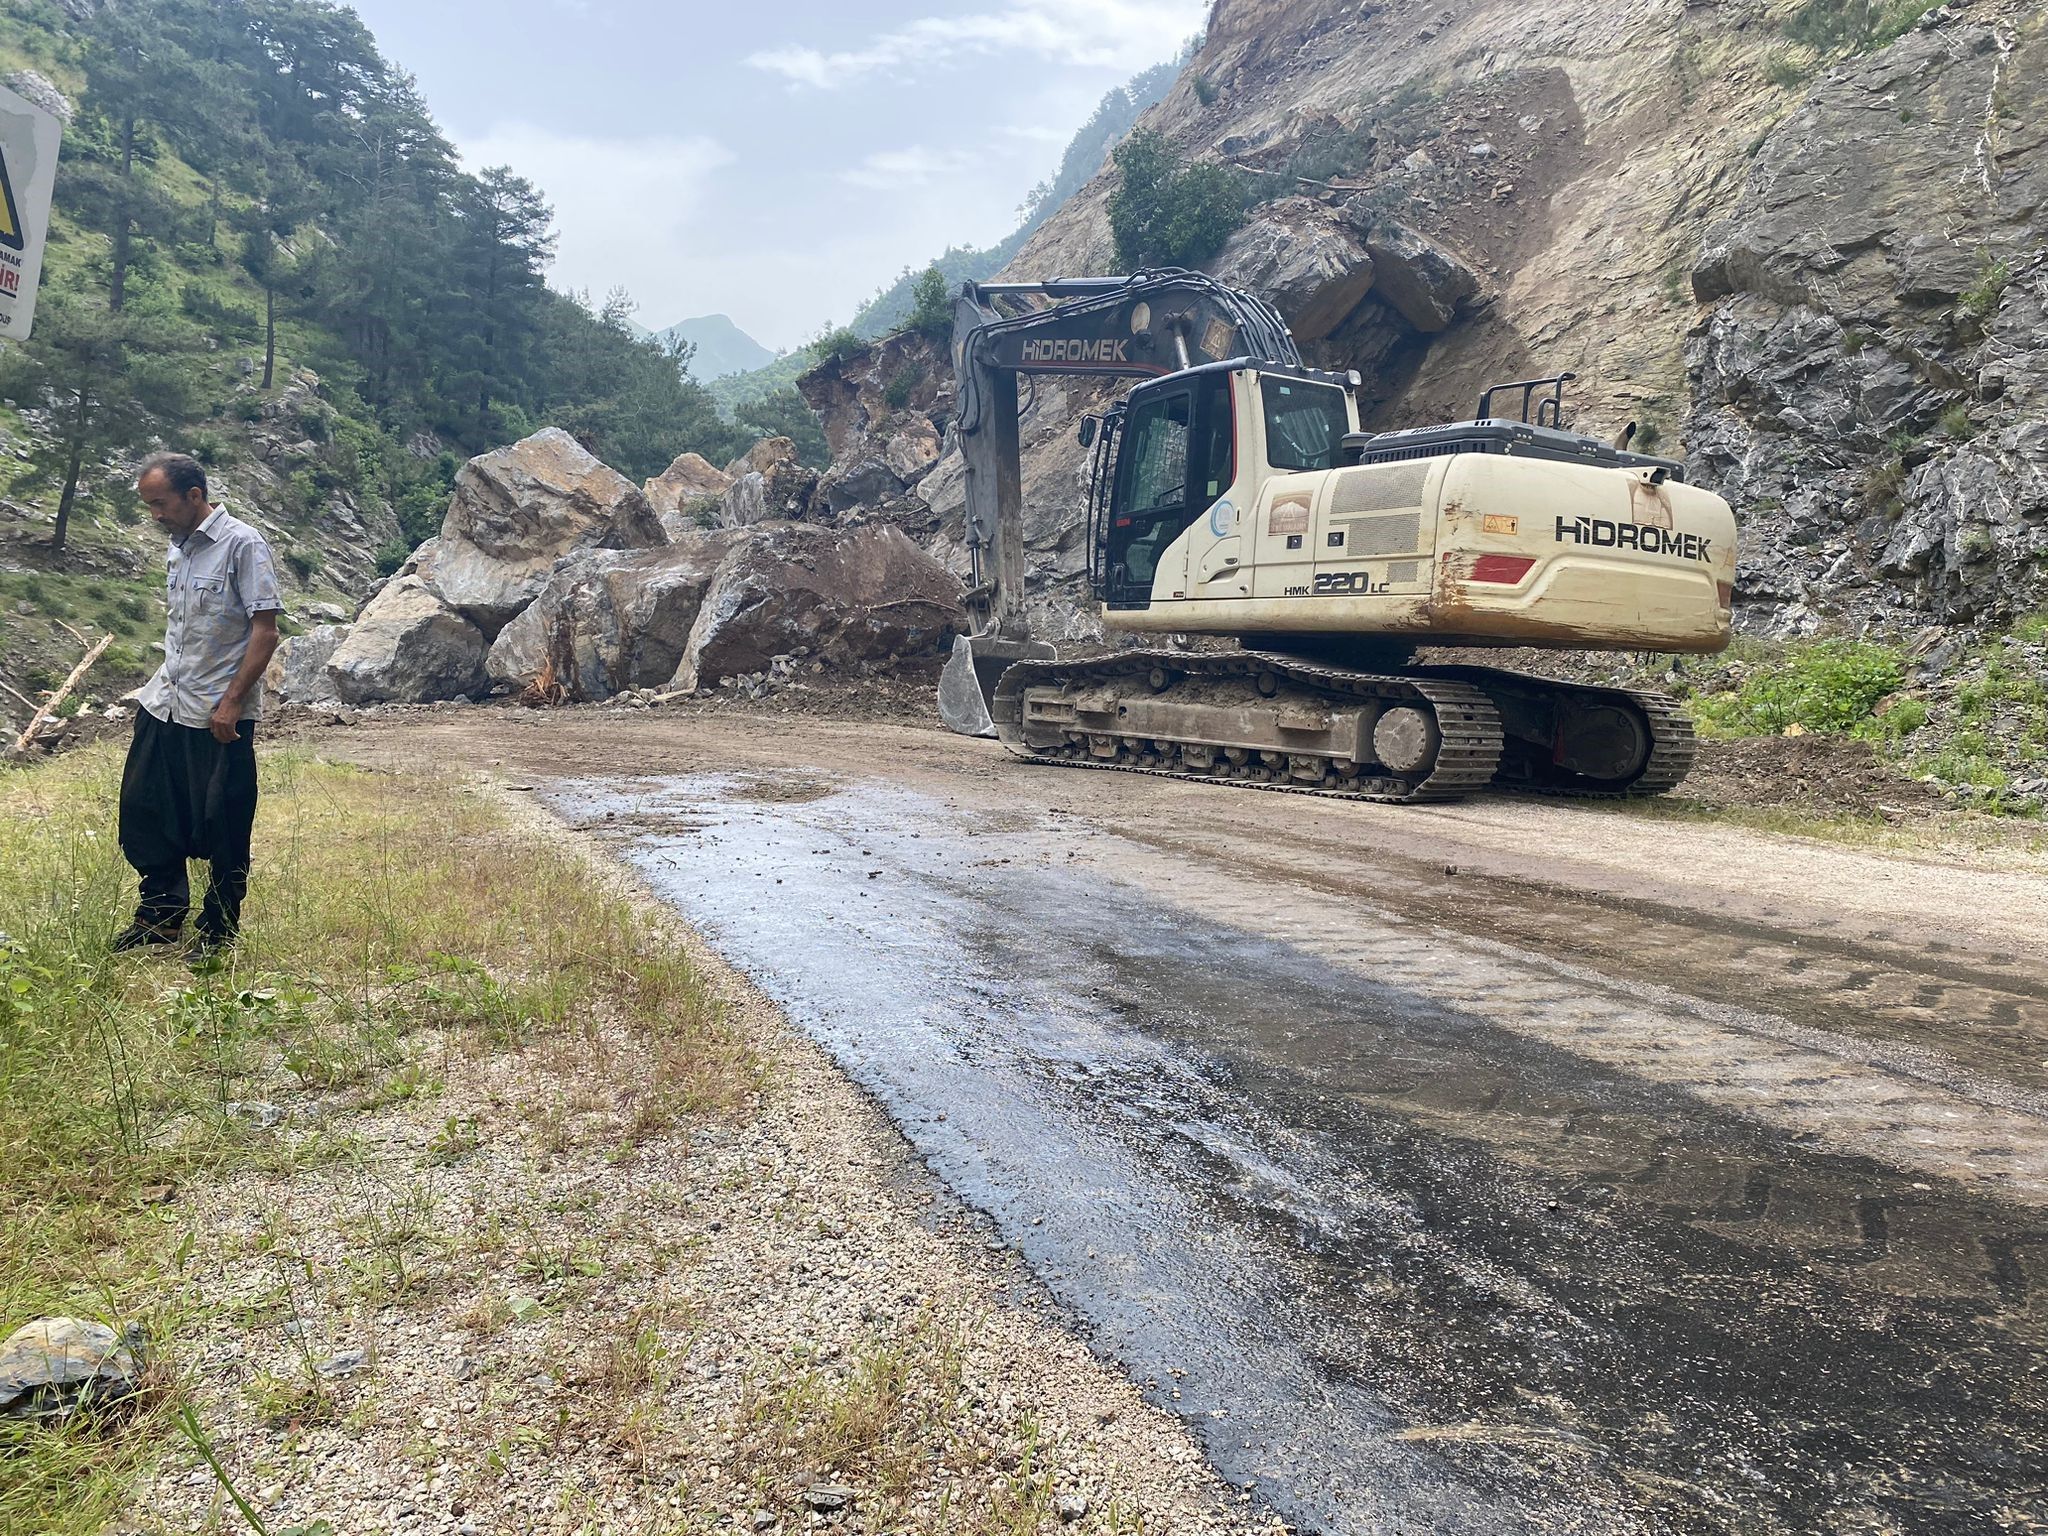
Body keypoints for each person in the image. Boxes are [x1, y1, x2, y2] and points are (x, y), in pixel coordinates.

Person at [112, 453, 283, 960]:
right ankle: (161, 916)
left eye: (160, 504)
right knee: (145, 812)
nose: (155, 515)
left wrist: (230, 703)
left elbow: (265, 632)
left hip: (217, 716)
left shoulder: (243, 545)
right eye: (149, 505)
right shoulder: (179, 550)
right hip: (165, 702)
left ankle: (219, 930)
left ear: (193, 496)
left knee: (224, 824)